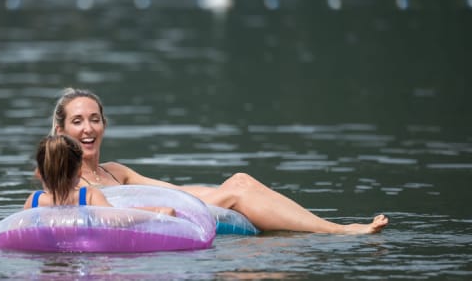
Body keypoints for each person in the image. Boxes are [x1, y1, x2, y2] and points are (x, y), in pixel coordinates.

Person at [44, 87, 388, 235]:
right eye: (77, 121)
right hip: (149, 226)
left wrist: (224, 194)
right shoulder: (64, 181)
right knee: (237, 188)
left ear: (104, 124)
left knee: (238, 183)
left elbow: (174, 190)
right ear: (61, 129)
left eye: (94, 119)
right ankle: (338, 231)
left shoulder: (115, 172)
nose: (88, 129)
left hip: (174, 211)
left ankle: (332, 228)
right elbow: (54, 207)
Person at [24, 134, 175, 216]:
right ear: (79, 172)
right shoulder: (88, 195)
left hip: (46, 267)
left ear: (38, 173)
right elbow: (117, 218)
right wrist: (158, 211)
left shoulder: (34, 200)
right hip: (85, 262)